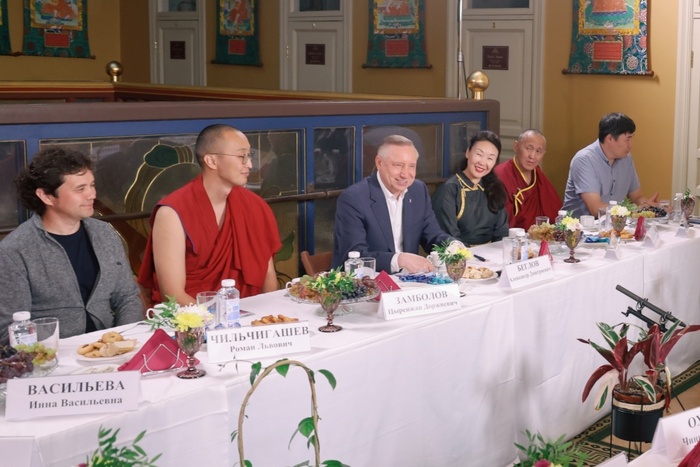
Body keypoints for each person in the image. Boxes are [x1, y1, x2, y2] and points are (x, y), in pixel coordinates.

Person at [0, 148, 142, 345]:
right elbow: (10, 329)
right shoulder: (15, 250)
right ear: (46, 196)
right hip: (53, 353)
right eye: (80, 189)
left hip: (112, 347)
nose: (92, 194)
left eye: (92, 185)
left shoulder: (104, 233)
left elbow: (127, 297)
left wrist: (121, 340)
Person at [138, 124, 281, 305]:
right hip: (191, 318)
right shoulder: (172, 213)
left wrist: (266, 315)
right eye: (241, 156)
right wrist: (216, 320)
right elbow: (172, 294)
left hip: (250, 315)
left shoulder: (255, 206)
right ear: (212, 161)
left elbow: (268, 276)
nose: (250, 164)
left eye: (249, 155)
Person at [331, 135, 452, 273]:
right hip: (367, 280)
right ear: (379, 163)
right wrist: (399, 260)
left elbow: (432, 236)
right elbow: (354, 255)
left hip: (410, 280)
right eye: (398, 165)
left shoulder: (418, 190)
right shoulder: (353, 198)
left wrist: (454, 246)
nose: (405, 174)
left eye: (411, 166)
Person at [562, 113, 657, 218]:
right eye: (627, 139)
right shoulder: (584, 160)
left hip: (615, 224)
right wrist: (635, 210)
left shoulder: (626, 158)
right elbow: (596, 209)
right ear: (610, 139)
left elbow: (637, 197)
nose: (631, 145)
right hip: (580, 226)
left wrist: (651, 206)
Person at [432, 130, 509, 245]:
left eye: (490, 158)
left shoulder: (495, 187)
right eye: (479, 154)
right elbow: (449, 237)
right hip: (461, 253)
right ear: (468, 152)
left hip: (494, 253)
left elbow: (502, 232)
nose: (482, 162)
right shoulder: (449, 190)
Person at [494, 129, 562, 229]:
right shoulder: (501, 174)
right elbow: (500, 220)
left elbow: (554, 210)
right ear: (516, 146)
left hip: (539, 234)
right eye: (529, 149)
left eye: (538, 151)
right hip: (513, 235)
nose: (532, 156)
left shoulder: (537, 175)